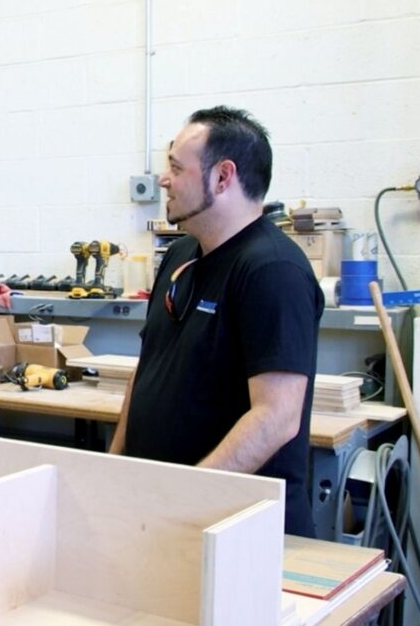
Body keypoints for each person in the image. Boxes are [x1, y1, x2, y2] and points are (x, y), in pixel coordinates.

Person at [109, 106, 324, 537]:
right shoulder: (179, 256)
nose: (164, 180)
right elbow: (148, 367)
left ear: (223, 177)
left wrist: (190, 497)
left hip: (238, 529)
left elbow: (277, 416)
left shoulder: (273, 270)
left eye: (175, 167)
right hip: (169, 515)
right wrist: (114, 466)